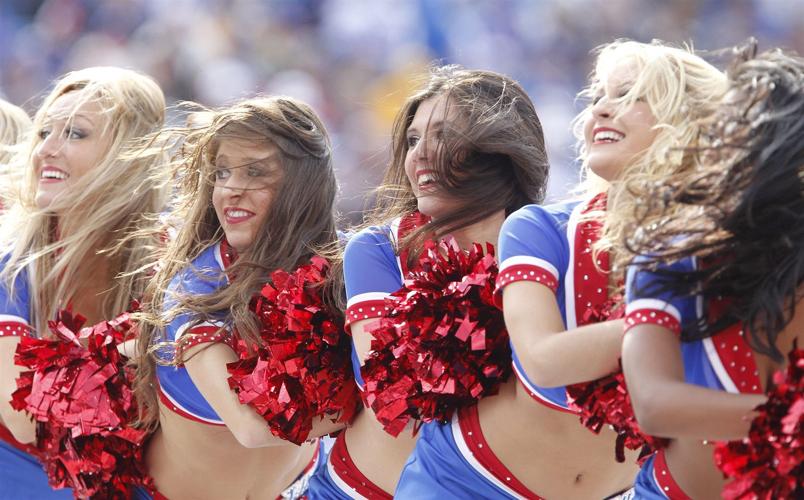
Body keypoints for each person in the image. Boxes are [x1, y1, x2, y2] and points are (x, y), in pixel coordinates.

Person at [398, 40, 727, 499]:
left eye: (629, 96)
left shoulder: (728, 250)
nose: (603, 111)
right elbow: (544, 358)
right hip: (465, 480)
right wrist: (674, 318)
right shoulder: (540, 228)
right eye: (598, 100)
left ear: (691, 121)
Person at [308, 65, 549, 498]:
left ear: (498, 150)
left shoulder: (542, 252)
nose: (418, 154)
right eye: (414, 139)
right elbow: (391, 389)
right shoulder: (380, 249)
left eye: (442, 136)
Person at [132, 96, 345, 499]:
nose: (230, 189)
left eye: (255, 172)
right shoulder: (194, 287)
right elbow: (252, 425)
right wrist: (373, 397)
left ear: (303, 184)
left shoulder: (344, 268)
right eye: (223, 172)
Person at [621, 48, 804, 499]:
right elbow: (653, 404)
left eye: (732, 129)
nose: (712, 144)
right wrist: (789, 423)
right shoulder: (669, 247)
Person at [0, 67, 167, 497]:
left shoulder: (170, 264)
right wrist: (129, 351)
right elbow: (26, 418)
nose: (48, 150)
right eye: (44, 133)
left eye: (75, 134)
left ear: (128, 154)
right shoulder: (10, 258)